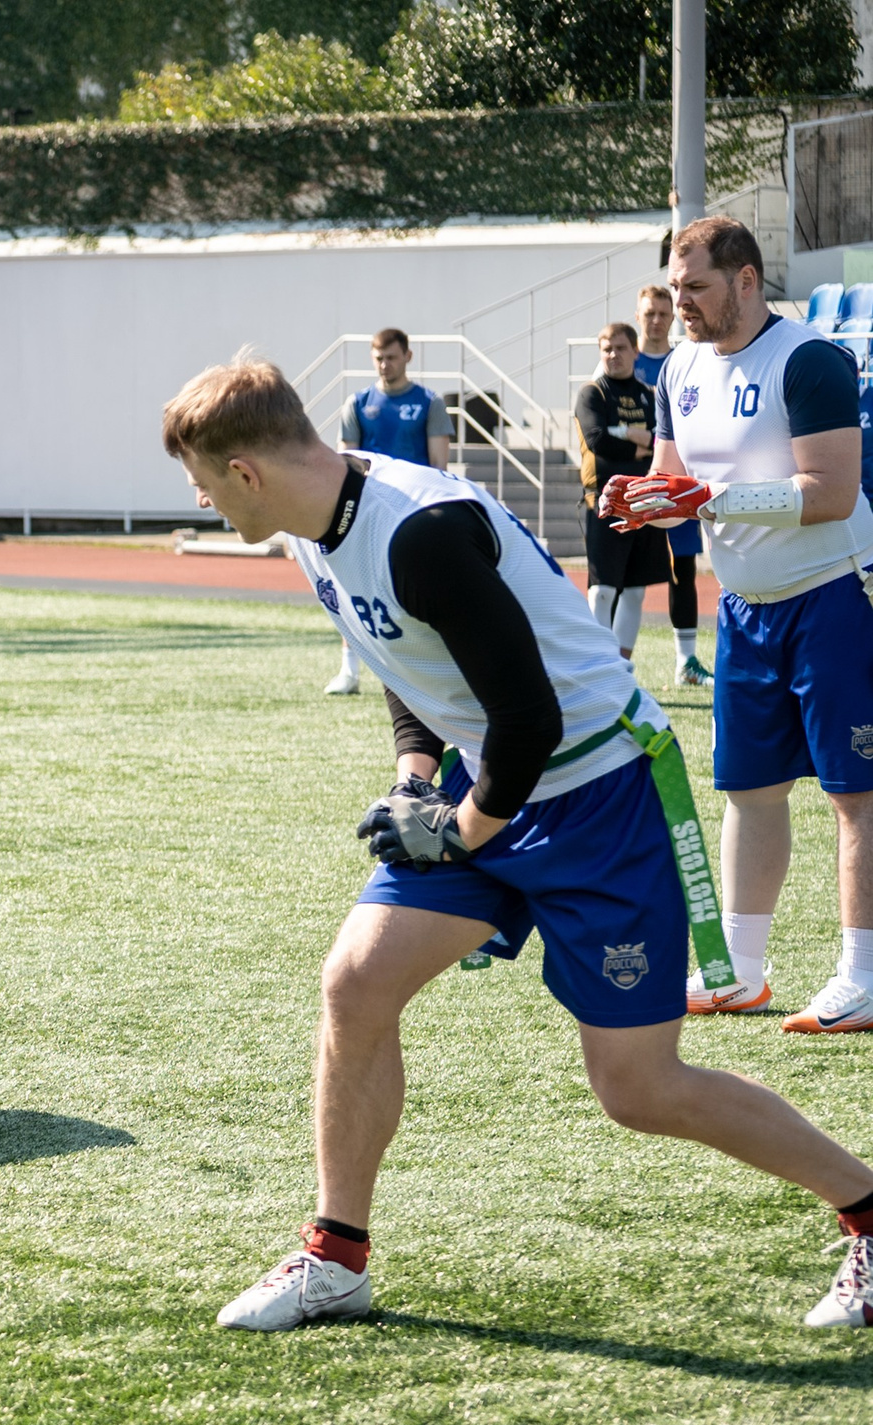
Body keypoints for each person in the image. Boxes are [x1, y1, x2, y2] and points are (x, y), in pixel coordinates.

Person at [164, 354, 873, 1332]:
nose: (195, 499)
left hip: (598, 787)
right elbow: (406, 659)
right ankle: (335, 1257)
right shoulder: (309, 517)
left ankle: (869, 1211)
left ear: (244, 470)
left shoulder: (418, 529)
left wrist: (454, 830)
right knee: (355, 982)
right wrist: (413, 780)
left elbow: (530, 720)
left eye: (198, 480)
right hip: (487, 775)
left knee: (638, 1086)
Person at [607, 216, 873, 1033]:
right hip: (746, 612)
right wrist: (644, 501)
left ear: (748, 281)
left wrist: (708, 500)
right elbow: (673, 479)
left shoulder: (810, 361)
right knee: (749, 792)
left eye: (697, 287)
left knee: (856, 795)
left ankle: (863, 976)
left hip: (835, 597)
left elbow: (829, 491)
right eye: (674, 286)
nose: (680, 303)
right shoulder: (676, 368)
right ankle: (737, 971)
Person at [326, 329, 452, 696]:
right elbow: (345, 462)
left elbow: (438, 467)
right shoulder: (359, 402)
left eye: (392, 357)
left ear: (408, 357)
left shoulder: (429, 403)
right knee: (353, 586)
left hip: (412, 512)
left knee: (417, 589)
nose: (385, 365)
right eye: (379, 358)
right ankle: (349, 670)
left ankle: (427, 668)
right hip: (366, 511)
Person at [575, 321, 669, 658]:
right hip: (604, 503)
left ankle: (622, 666)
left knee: (634, 593)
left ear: (635, 351)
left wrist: (624, 432)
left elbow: (666, 440)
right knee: (602, 591)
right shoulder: (592, 393)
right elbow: (597, 440)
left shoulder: (650, 395)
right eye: (606, 349)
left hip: (644, 503)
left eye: (620, 348)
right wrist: (639, 441)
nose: (613, 355)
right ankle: (599, 664)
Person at [635, 283, 712, 684]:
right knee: (625, 581)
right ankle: (614, 662)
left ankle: (686, 661)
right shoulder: (621, 363)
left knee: (684, 568)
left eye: (663, 313)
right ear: (638, 317)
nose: (658, 320)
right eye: (650, 313)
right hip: (639, 488)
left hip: (677, 484)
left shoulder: (689, 360)